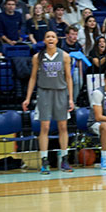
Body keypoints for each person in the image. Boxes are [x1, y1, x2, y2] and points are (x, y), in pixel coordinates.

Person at [22, 31, 74, 174]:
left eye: (53, 37)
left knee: (63, 126)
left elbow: (69, 78)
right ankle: (44, 161)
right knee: (44, 127)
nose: (50, 39)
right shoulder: (37, 57)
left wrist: (70, 98)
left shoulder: (64, 56)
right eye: (48, 37)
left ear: (57, 40)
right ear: (44, 40)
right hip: (44, 93)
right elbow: (32, 78)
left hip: (61, 92)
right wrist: (27, 98)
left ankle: (64, 159)